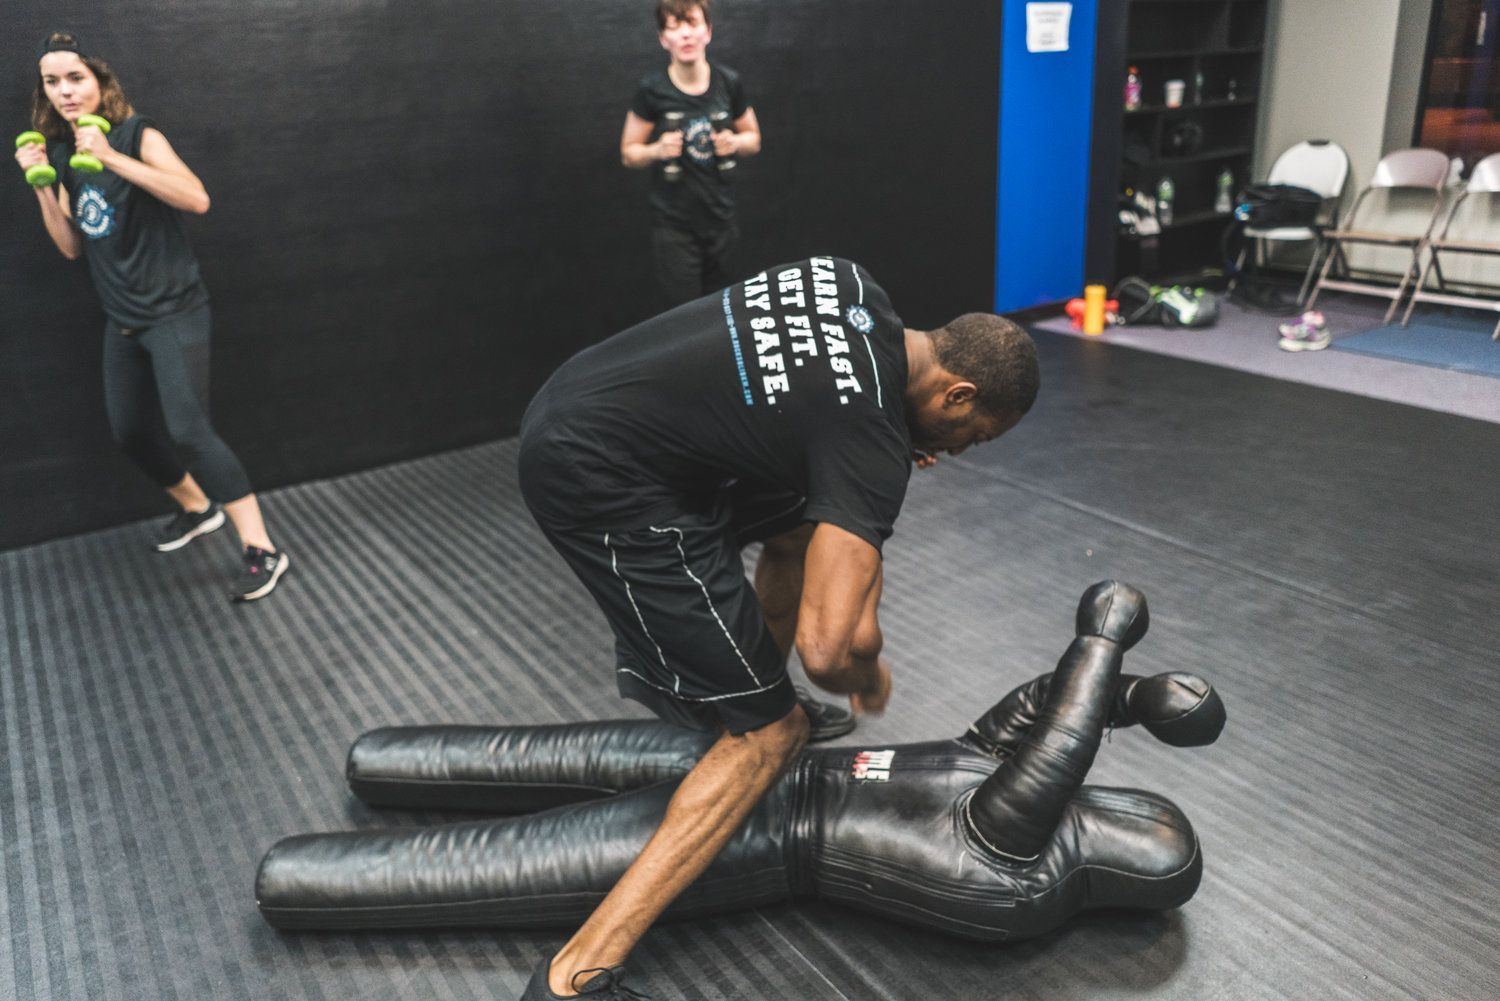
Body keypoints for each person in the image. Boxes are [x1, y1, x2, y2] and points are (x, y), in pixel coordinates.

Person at [514, 256, 1040, 997]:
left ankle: (750, 680)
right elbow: (828, 650)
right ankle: (576, 973)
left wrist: (877, 465)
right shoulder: (869, 441)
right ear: (957, 393)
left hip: (581, 395)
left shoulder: (853, 284)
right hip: (599, 474)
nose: (955, 453)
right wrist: (869, 674)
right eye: (971, 436)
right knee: (772, 734)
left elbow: (812, 424)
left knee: (798, 521)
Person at [14, 32, 289, 602]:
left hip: (174, 313)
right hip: (122, 318)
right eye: (52, 82)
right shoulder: (62, 154)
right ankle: (199, 509)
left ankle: (262, 547)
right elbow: (71, 246)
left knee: (189, 432)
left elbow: (197, 198)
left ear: (100, 81)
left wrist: (113, 157)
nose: (65, 91)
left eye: (75, 78)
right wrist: (41, 185)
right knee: (131, 433)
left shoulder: (138, 135)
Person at [620, 0, 761, 307]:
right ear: (663, 39)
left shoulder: (728, 82)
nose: (685, 34)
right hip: (675, 230)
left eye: (692, 24)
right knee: (684, 317)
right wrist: (657, 149)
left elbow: (753, 139)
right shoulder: (652, 89)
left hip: (721, 222)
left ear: (707, 31)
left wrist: (735, 143)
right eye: (674, 27)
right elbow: (629, 153)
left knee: (725, 314)